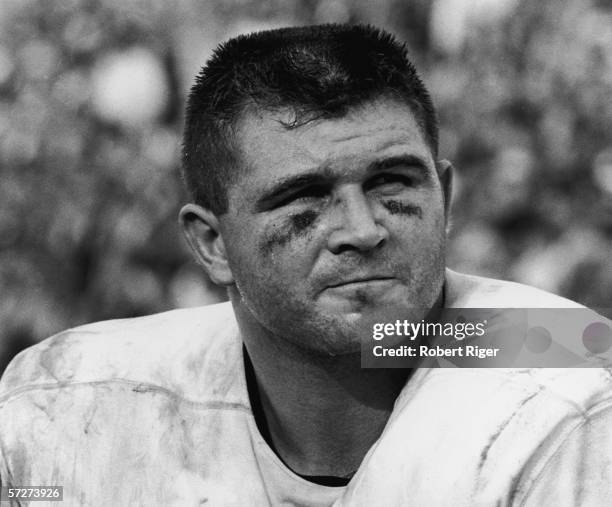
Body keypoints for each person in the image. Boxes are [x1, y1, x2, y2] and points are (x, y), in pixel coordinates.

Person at [1, 24, 611, 506]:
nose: (363, 230)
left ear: (445, 200)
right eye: (304, 197)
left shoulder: (575, 376)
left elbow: (577, 355)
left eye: (392, 181)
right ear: (213, 245)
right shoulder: (69, 394)